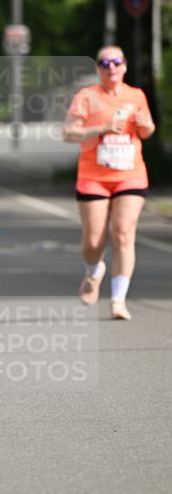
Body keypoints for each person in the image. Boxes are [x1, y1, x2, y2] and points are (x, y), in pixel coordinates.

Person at [63, 45, 156, 320]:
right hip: (94, 177)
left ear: (124, 66)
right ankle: (93, 270)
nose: (111, 67)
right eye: (105, 63)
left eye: (116, 62)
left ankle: (118, 300)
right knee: (93, 241)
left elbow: (147, 130)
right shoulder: (86, 97)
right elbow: (68, 133)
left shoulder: (136, 95)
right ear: (98, 69)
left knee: (123, 233)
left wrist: (145, 125)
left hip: (130, 174)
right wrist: (101, 128)